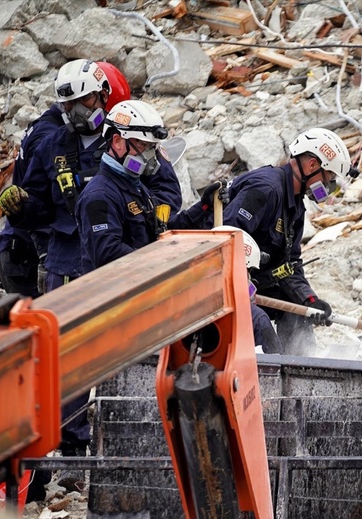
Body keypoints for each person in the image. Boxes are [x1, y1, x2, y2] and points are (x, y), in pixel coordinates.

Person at [76, 101, 283, 355]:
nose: (151, 156)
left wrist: (204, 208)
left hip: (146, 304)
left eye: (153, 148)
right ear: (118, 143)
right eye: (143, 146)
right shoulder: (100, 195)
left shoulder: (136, 188)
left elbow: (165, 231)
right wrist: (167, 270)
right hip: (118, 317)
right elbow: (108, 255)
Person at [0, 59, 181, 293]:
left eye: (84, 99)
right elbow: (38, 211)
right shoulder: (50, 147)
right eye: (70, 103)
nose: (78, 109)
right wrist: (19, 208)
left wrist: (138, 217)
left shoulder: (130, 137)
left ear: (104, 94)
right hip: (64, 266)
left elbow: (167, 195)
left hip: (122, 260)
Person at [204, 128, 355, 356]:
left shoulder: (295, 204)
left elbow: (290, 264)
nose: (329, 188)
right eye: (329, 179)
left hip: (253, 285)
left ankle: (300, 369)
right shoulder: (266, 189)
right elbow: (223, 242)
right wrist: (242, 289)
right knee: (261, 325)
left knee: (298, 312)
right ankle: (274, 377)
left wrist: (310, 300)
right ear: (312, 166)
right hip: (218, 288)